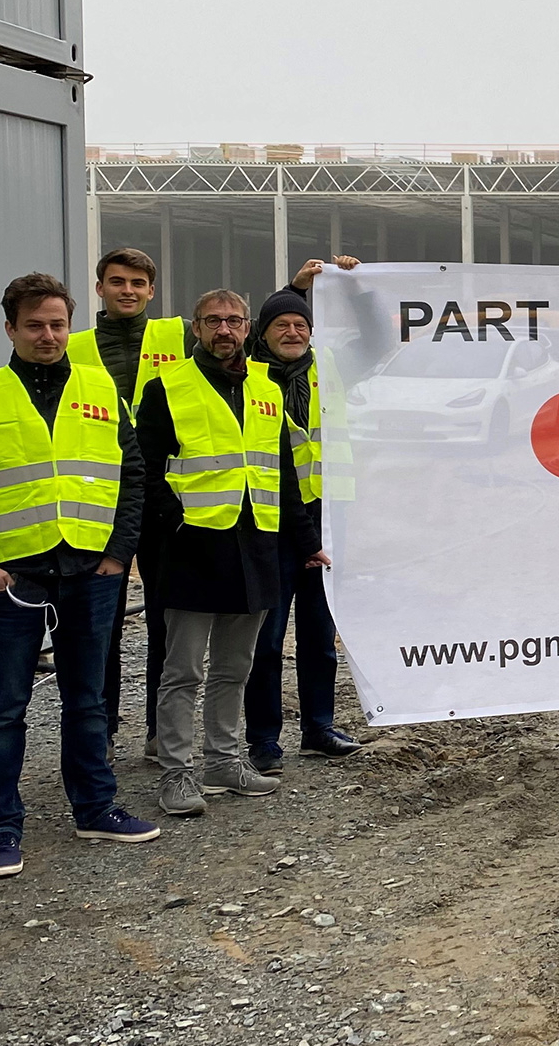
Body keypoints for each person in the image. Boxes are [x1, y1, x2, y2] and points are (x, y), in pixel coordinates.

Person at [0, 273, 161, 878]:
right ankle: (3, 826)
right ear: (11, 329)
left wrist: (118, 554)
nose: (48, 335)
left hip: (91, 570)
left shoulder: (99, 388)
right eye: (34, 325)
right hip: (15, 579)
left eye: (58, 324)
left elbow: (131, 476)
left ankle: (95, 808)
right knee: (6, 707)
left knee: (88, 701)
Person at [137, 289, 321, 816]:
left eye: (234, 320)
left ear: (247, 329)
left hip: (255, 543)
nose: (224, 329)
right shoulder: (167, 388)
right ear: (196, 328)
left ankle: (222, 761)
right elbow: (145, 469)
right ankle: (176, 772)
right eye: (213, 320)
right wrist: (174, 521)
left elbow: (282, 470)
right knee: (183, 671)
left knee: (235, 667)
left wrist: (307, 542)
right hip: (193, 546)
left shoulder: (266, 388)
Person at [243, 258, 365, 773]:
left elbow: (375, 337)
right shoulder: (245, 374)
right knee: (266, 642)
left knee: (319, 636)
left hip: (324, 521)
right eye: (281, 325)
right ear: (263, 335)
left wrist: (355, 287)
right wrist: (294, 288)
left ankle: (319, 727)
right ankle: (263, 740)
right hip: (268, 527)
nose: (292, 332)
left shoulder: (330, 366)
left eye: (301, 324)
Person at [68, 248, 191, 756]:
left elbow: (249, 339)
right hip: (99, 499)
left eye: (138, 283)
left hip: (161, 497)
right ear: (99, 288)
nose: (128, 290)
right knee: (101, 626)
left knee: (165, 619)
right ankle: (102, 733)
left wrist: (298, 291)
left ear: (151, 290)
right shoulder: (73, 345)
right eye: (117, 281)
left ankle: (161, 733)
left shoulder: (177, 336)